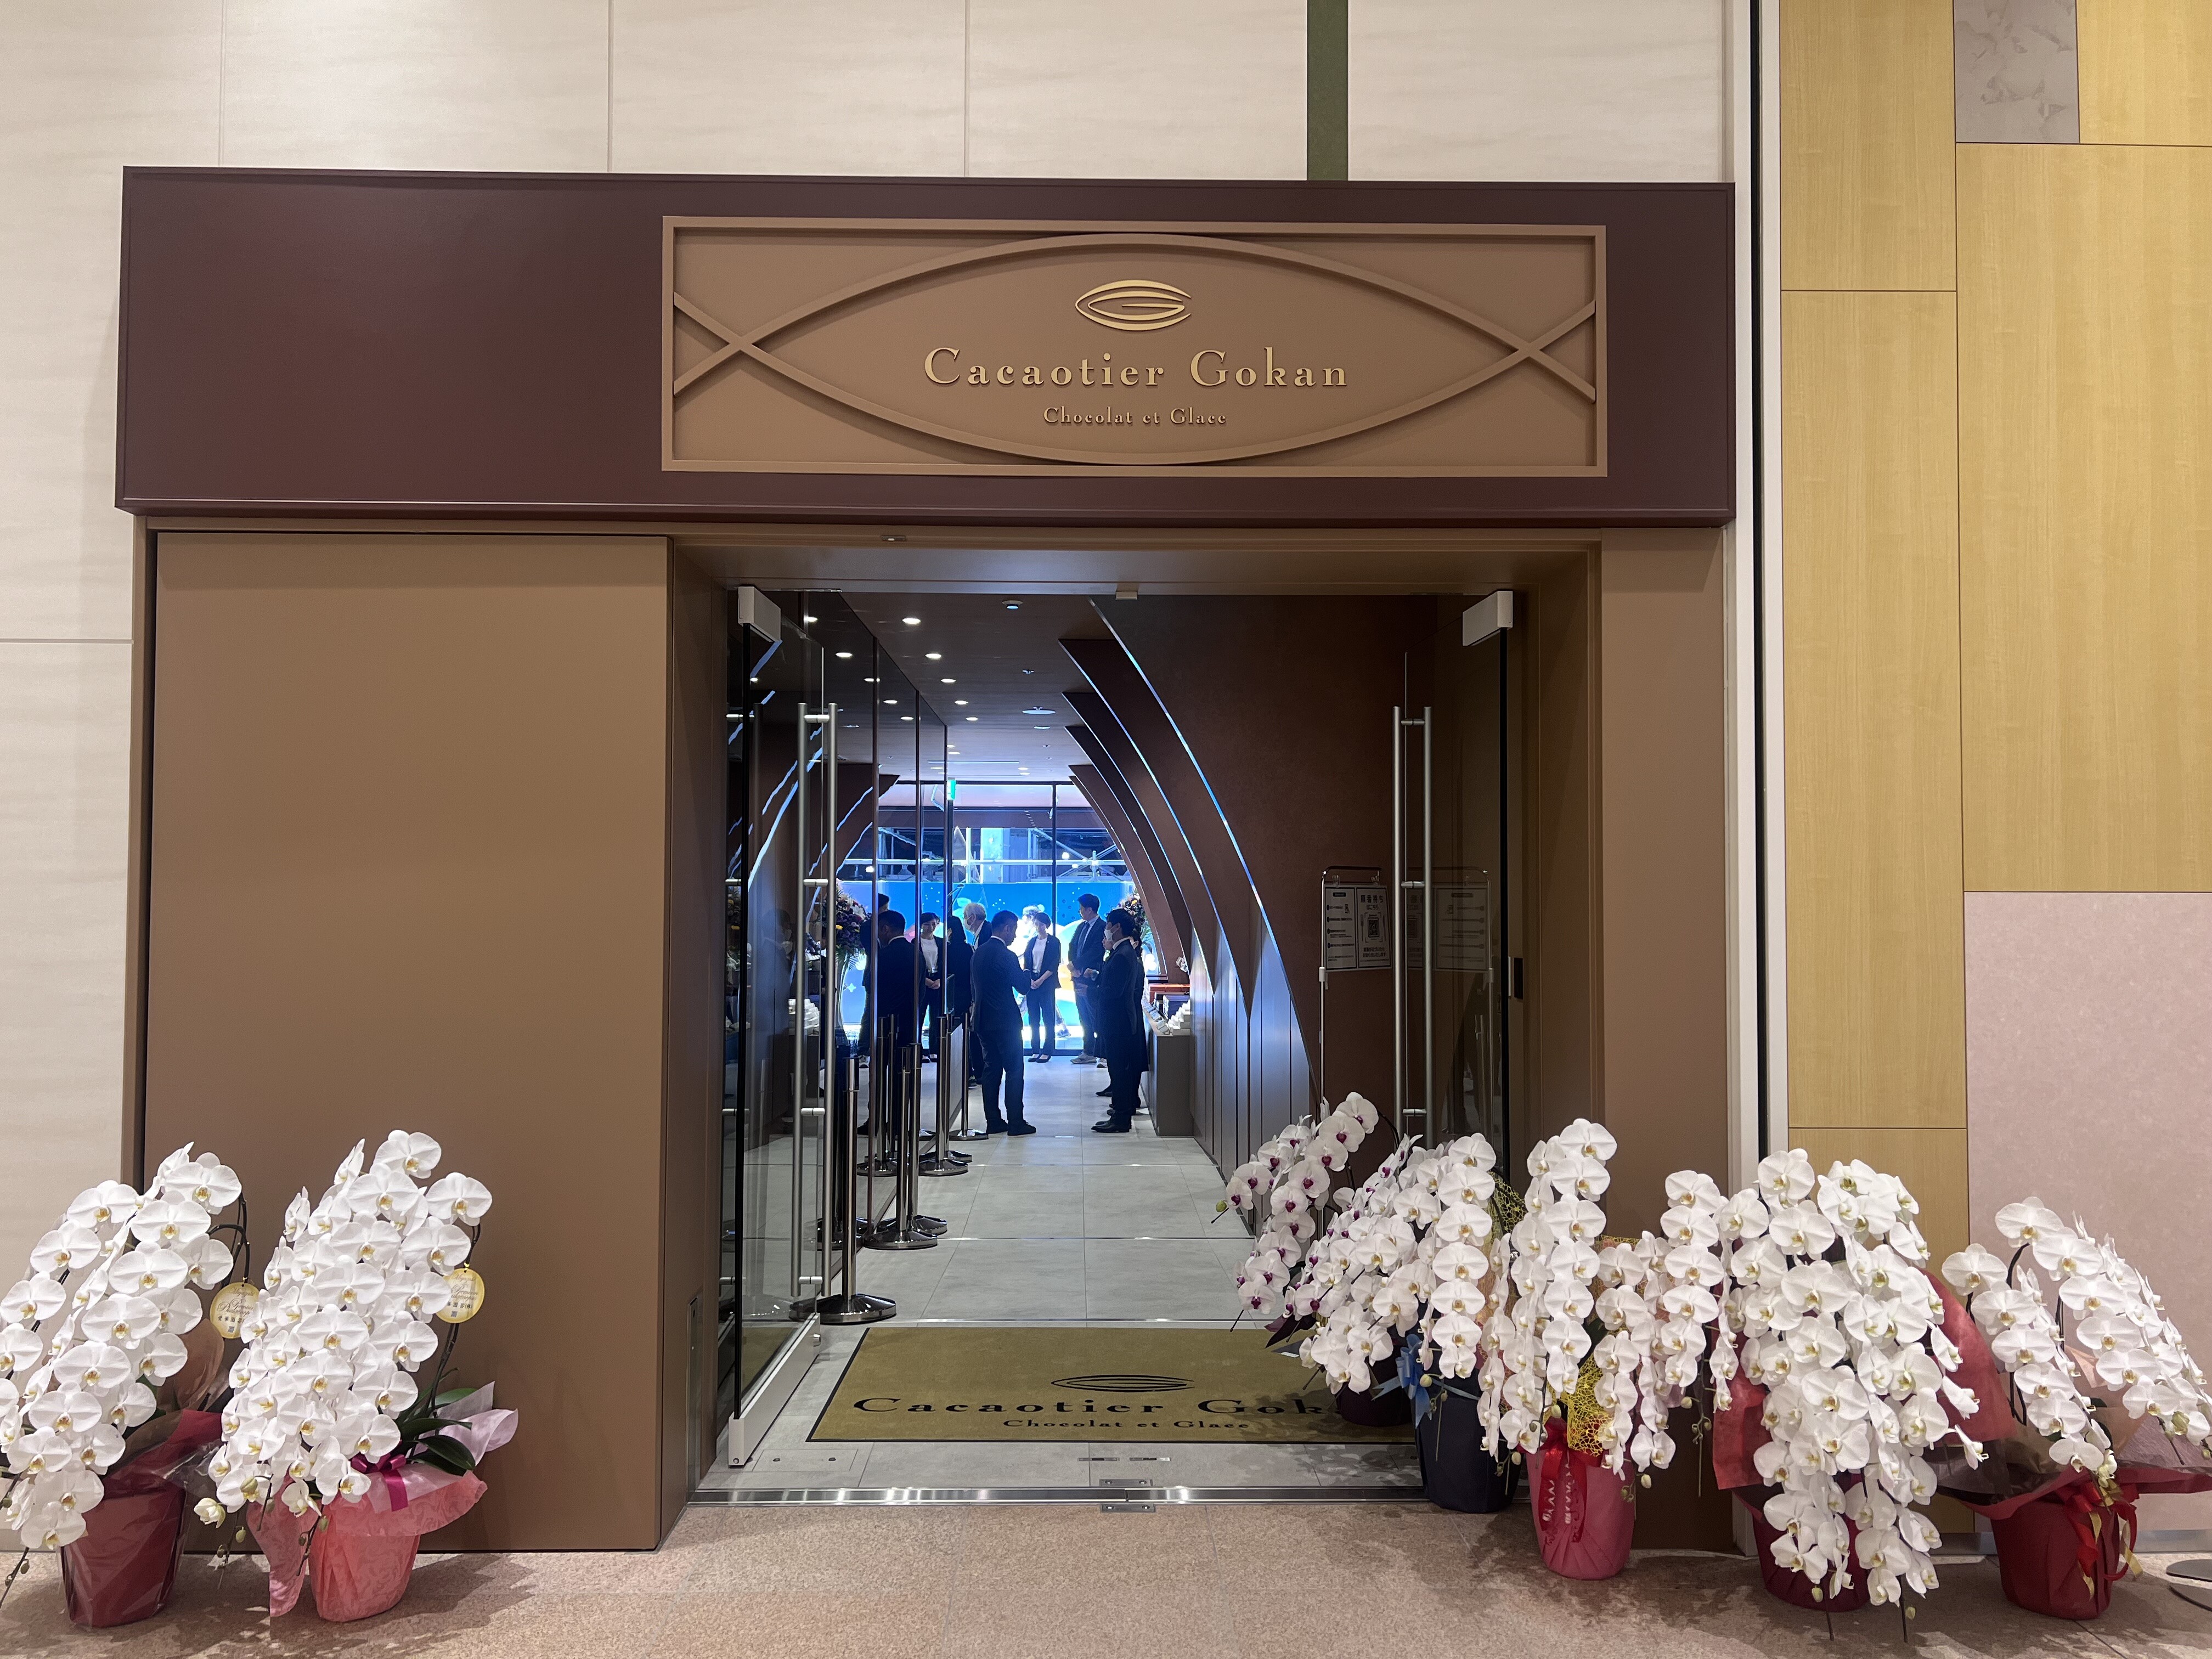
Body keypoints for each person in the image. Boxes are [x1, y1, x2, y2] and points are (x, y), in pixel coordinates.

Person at [969, 910, 1033, 1135]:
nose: (1015, 935)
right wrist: (1027, 971)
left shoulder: (978, 953)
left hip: (983, 1020)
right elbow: (1023, 987)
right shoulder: (1007, 956)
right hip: (1006, 1022)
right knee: (1014, 1070)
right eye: (1014, 930)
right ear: (1006, 929)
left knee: (991, 1070)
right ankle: (1016, 1122)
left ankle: (994, 1121)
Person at [1090, 907, 1150, 1133]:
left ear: (1116, 927)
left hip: (1118, 1022)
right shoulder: (1122, 952)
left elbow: (1114, 992)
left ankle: (1122, 1118)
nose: (1106, 930)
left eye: (1108, 925)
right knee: (1117, 1070)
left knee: (1120, 1071)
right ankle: (1118, 1113)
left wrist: (1090, 991)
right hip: (1118, 1021)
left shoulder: (1123, 954)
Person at [871, 909, 918, 1132]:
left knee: (879, 1074)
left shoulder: (883, 955)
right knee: (904, 1073)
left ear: (885, 929)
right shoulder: (916, 954)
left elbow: (872, 988)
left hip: (884, 1025)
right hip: (908, 1023)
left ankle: (877, 1120)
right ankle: (900, 1121)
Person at [1066, 894, 1105, 1067]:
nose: (1080, 912)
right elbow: (1072, 947)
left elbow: (1096, 951)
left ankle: (1103, 1052)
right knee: (1083, 1015)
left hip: (1093, 978)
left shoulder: (1102, 927)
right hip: (1078, 977)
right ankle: (1088, 1051)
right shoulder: (1081, 926)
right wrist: (1073, 967)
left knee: (1097, 1015)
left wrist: (1077, 965)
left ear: (1090, 910)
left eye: (1082, 909)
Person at [1020, 906, 1061, 1063]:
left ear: (1047, 925)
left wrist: (1040, 980)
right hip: (1032, 983)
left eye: (1042, 924)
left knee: (1048, 1017)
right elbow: (1027, 961)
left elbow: (1053, 964)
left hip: (1047, 983)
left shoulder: (1054, 942)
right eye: (1037, 924)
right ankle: (1035, 1049)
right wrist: (1030, 979)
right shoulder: (1031, 942)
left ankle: (1048, 1050)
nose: (1039, 927)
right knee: (1033, 1018)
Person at [958, 901, 988, 1088]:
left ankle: (984, 1072)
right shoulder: (978, 935)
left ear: (973, 918)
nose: (965, 921)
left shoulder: (987, 933)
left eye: (965, 917)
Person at [915, 912, 944, 1058]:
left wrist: (940, 980)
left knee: (936, 1017)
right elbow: (914, 966)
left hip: (937, 981)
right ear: (921, 925)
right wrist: (924, 980)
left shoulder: (941, 942)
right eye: (928, 924)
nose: (931, 927)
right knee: (919, 1016)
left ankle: (934, 1050)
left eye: (934, 924)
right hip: (922, 983)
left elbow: (945, 963)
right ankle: (918, 1050)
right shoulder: (915, 942)